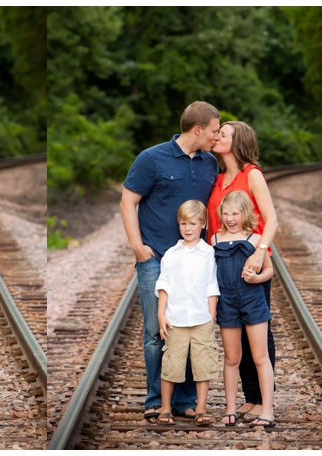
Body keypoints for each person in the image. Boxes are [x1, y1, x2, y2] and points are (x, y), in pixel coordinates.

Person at [120, 101, 220, 420]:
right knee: (156, 331)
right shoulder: (151, 158)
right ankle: (154, 400)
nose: (217, 138)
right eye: (215, 131)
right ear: (198, 129)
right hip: (156, 258)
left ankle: (185, 401)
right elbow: (128, 200)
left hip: (193, 259)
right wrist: (138, 247)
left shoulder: (210, 163)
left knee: (191, 327)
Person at [207, 120, 278, 423]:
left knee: (259, 335)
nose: (217, 136)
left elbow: (271, 220)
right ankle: (250, 399)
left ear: (237, 143)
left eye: (223, 134)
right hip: (225, 265)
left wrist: (260, 254)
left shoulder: (252, 175)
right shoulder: (219, 177)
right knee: (237, 341)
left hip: (252, 260)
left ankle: (264, 401)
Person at [212, 190, 275, 428]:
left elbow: (269, 270)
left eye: (235, 214)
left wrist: (256, 279)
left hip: (252, 300)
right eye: (226, 213)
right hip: (227, 302)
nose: (230, 218)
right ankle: (230, 409)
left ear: (245, 214)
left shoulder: (256, 240)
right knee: (231, 357)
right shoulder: (215, 241)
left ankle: (267, 409)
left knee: (260, 356)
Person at [154, 201, 219, 427]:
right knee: (171, 364)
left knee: (202, 365)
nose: (188, 228)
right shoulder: (171, 254)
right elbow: (165, 285)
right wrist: (161, 315)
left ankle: (200, 408)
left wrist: (211, 316)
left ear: (203, 224)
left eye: (193, 223)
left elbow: (212, 285)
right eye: (183, 223)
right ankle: (165, 408)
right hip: (176, 320)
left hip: (202, 320)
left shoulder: (209, 253)